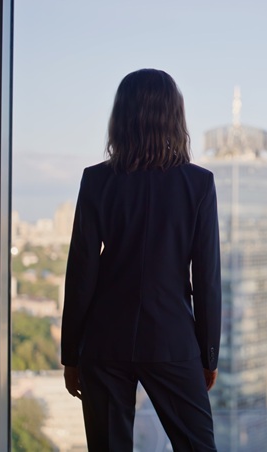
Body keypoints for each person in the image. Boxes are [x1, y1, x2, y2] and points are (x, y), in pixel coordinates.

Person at [60, 68, 221, 451]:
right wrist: (208, 354)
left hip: (104, 341)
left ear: (121, 118)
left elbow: (81, 272)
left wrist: (71, 354)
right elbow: (207, 279)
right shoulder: (198, 183)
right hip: (172, 340)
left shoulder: (97, 180)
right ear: (175, 116)